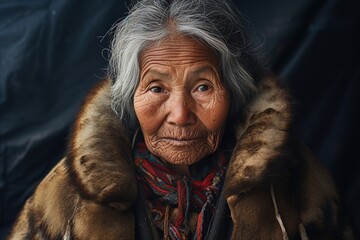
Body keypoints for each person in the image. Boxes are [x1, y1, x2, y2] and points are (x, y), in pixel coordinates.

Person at [7, 0, 354, 239]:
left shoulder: (298, 182)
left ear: (232, 91)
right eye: (156, 88)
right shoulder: (70, 193)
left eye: (203, 87)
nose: (180, 115)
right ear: (131, 97)